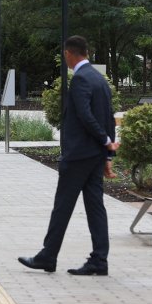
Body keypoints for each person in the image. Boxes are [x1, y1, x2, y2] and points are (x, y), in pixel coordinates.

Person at [18, 36, 119, 277]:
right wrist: (107, 155)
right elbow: (109, 117)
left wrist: (106, 141)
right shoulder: (99, 80)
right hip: (94, 157)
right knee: (96, 208)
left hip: (78, 156)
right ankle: (99, 260)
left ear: (68, 54)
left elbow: (85, 116)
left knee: (62, 206)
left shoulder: (81, 79)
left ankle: (48, 256)